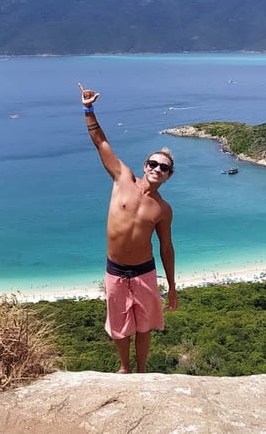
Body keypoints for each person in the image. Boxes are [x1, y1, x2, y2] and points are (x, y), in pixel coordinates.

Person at [79, 82, 178, 373]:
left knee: (144, 325)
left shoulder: (163, 209)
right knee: (120, 327)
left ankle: (142, 370)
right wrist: (88, 109)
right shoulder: (122, 178)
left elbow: (166, 248)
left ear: (168, 176)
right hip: (116, 270)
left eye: (164, 167)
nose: (157, 169)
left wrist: (172, 286)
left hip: (145, 271)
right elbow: (101, 142)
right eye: (153, 163)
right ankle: (124, 368)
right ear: (145, 165)